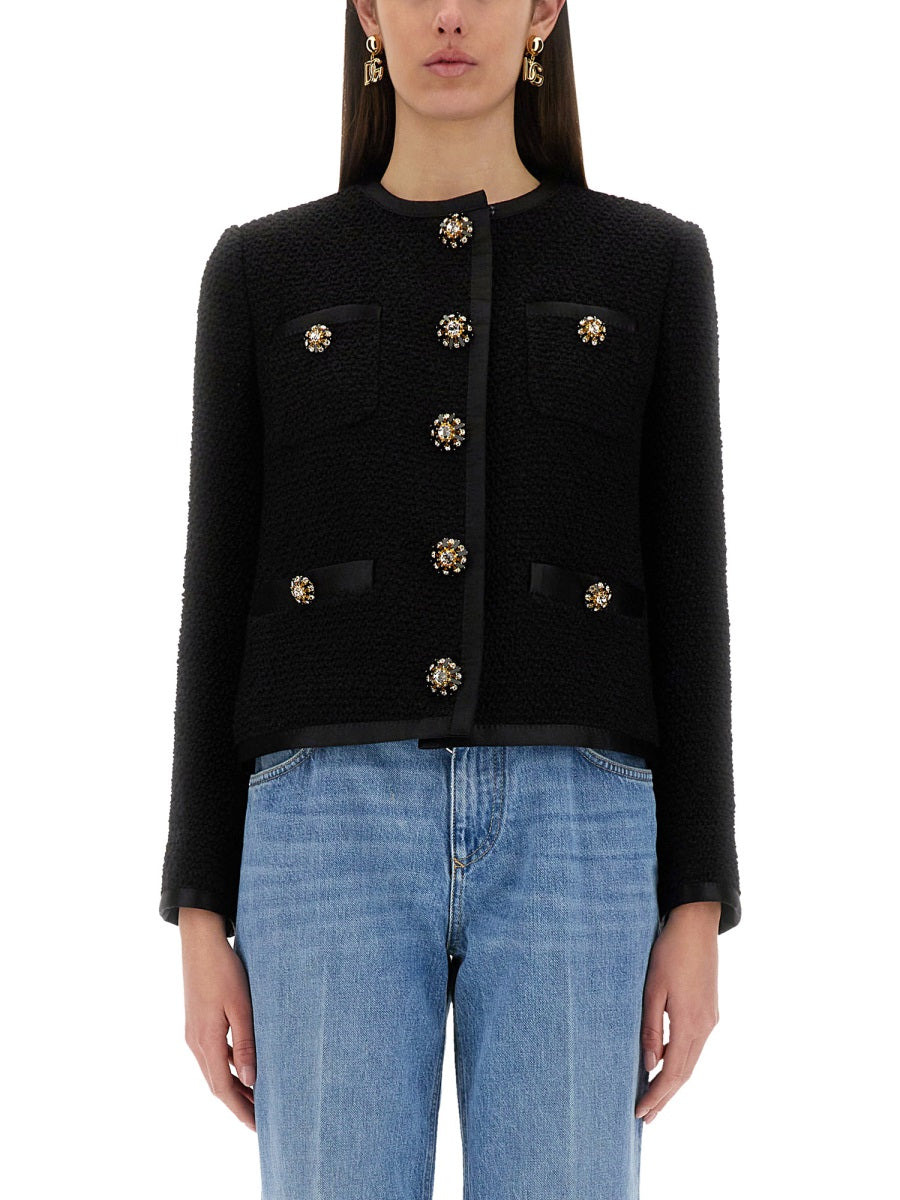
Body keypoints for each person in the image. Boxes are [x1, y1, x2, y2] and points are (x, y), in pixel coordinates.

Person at [158, 2, 741, 1196]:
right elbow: (216, 598)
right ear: (367, 12)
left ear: (544, 11)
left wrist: (698, 897)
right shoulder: (263, 271)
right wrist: (199, 908)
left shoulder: (651, 263)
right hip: (323, 827)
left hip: (580, 827)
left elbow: (691, 595)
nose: (450, 14)